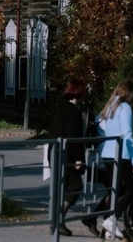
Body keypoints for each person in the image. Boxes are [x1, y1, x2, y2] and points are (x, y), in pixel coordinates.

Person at [90, 79, 133, 239]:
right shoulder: (124, 107)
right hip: (121, 153)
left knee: (116, 189)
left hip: (107, 152)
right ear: (129, 92)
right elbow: (127, 134)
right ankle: (111, 220)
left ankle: (107, 227)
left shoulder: (111, 105)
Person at [50, 79, 90, 236]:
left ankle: (57, 221)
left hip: (56, 152)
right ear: (79, 92)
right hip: (69, 156)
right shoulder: (74, 112)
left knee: (62, 187)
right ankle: (58, 219)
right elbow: (74, 137)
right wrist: (78, 159)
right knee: (75, 186)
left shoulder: (60, 109)